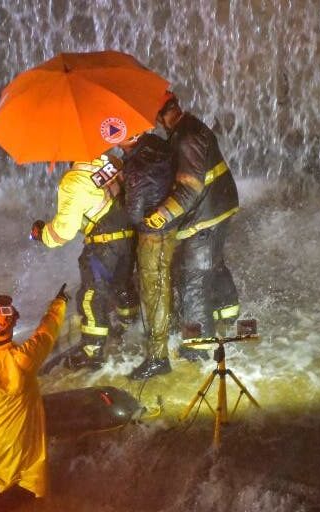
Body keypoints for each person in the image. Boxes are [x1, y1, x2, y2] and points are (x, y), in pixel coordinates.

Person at [0, 285, 69, 512]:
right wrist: (58, 303)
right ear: (9, 330)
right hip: (20, 436)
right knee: (27, 482)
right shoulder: (23, 359)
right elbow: (46, 332)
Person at [145, 92, 241, 359]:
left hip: (206, 214)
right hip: (216, 207)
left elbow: (189, 188)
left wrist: (161, 215)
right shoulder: (188, 128)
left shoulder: (186, 138)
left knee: (192, 278)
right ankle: (227, 314)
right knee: (211, 262)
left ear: (162, 115)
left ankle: (198, 346)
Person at [30, 155, 138, 369]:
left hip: (103, 245)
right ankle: (130, 326)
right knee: (122, 284)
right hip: (128, 237)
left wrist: (42, 234)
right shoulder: (112, 162)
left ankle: (93, 351)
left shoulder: (73, 180)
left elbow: (64, 231)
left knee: (91, 297)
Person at [118, 132, 178, 379]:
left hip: (152, 235)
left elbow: (133, 215)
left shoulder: (136, 167)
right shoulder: (156, 144)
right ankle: (166, 329)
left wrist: (118, 188)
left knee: (154, 290)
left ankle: (158, 358)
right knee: (162, 285)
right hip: (168, 227)